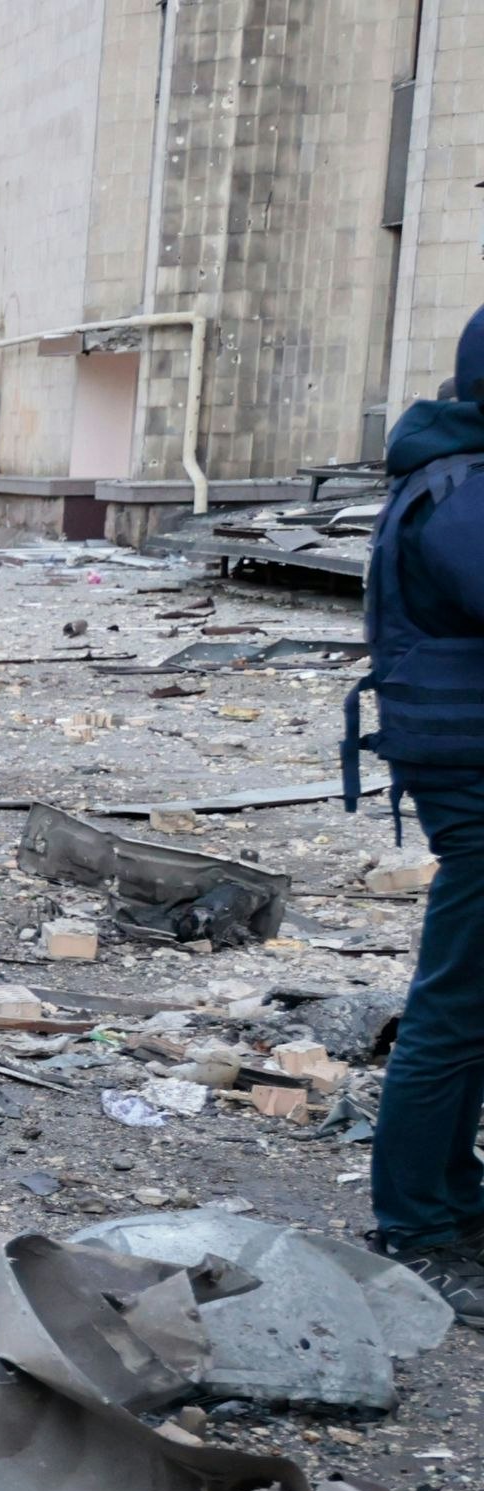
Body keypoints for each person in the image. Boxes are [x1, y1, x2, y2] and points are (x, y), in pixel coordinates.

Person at [351, 305, 484, 1318]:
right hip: (470, 770)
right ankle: (414, 1221)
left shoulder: (456, 476)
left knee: (472, 999)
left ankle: (449, 1193)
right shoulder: (458, 493)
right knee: (454, 1001)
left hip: (463, 759)